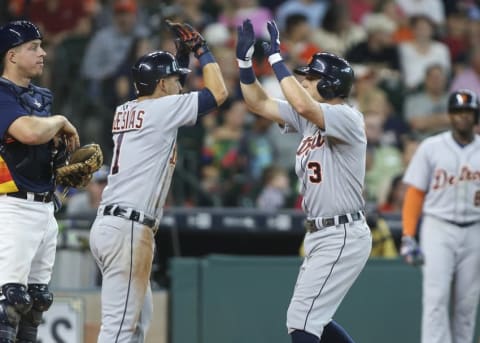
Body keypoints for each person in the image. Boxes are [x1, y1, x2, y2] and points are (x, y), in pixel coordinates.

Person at [88, 20, 228, 342]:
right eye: (175, 79)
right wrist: (202, 52)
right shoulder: (162, 109)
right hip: (128, 230)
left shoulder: (127, 108)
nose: (181, 84)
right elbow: (218, 93)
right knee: (120, 329)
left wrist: (180, 57)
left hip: (114, 224)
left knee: (137, 323)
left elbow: (169, 95)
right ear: (161, 84)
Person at [236, 19, 372, 343]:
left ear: (329, 85)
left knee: (303, 320)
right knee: (311, 320)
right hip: (321, 232)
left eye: (311, 79)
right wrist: (244, 65)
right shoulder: (310, 118)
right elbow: (258, 103)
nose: (306, 83)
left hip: (341, 231)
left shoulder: (348, 118)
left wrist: (276, 60)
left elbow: (302, 103)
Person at [0, 20, 80, 343]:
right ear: (12, 56)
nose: (42, 52)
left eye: (41, 46)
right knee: (9, 302)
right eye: (33, 47)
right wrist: (60, 121)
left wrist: (61, 169)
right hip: (11, 207)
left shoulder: (41, 98)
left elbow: (44, 149)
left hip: (45, 209)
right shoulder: (1, 95)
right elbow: (28, 133)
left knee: (36, 302)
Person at [401, 89, 480, 343]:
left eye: (467, 112)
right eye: (458, 112)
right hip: (438, 227)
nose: (463, 117)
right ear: (449, 115)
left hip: (475, 229)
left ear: (476, 116)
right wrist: (408, 235)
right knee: (436, 299)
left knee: (467, 304)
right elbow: (415, 193)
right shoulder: (431, 147)